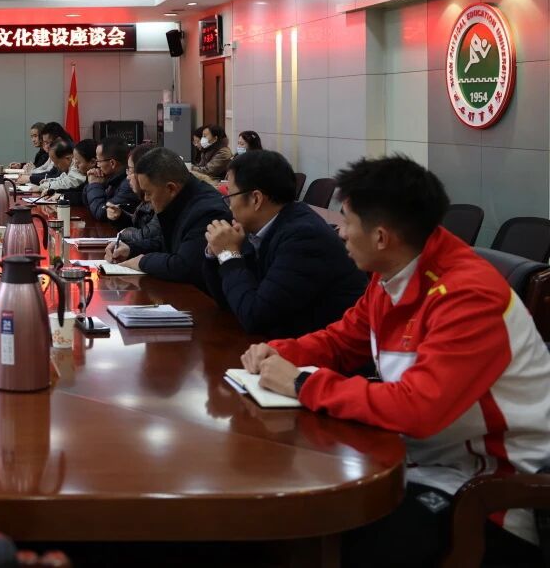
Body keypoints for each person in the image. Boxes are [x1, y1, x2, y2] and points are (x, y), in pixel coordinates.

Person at [240, 155, 550, 568]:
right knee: (289, 512)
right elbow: (344, 339)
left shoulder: (469, 296)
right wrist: (281, 352)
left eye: (347, 220)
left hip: (492, 495)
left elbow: (418, 407)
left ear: (382, 236)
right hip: (414, 460)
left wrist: (301, 384)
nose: (340, 230)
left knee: (325, 535)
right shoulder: (392, 273)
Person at [201, 150, 366, 338]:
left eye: (230, 197)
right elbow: (230, 301)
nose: (229, 206)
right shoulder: (254, 227)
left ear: (256, 199)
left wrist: (228, 255)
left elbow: (255, 317)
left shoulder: (304, 238)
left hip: (326, 349)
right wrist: (216, 252)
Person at [109, 147, 230, 285]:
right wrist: (131, 250)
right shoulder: (180, 198)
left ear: (171, 188)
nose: (146, 199)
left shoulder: (206, 211)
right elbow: (167, 243)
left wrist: (142, 261)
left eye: (148, 192)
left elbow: (184, 266)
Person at [105, 143, 159, 257]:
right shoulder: (145, 198)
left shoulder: (159, 200)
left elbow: (148, 236)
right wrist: (120, 217)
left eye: (130, 170)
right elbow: (140, 225)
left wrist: (124, 233)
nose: (128, 177)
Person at [84, 135, 138, 222]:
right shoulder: (111, 177)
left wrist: (94, 184)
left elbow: (102, 213)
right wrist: (91, 183)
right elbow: (88, 203)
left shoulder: (128, 184)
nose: (97, 165)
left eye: (98, 161)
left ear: (112, 163)